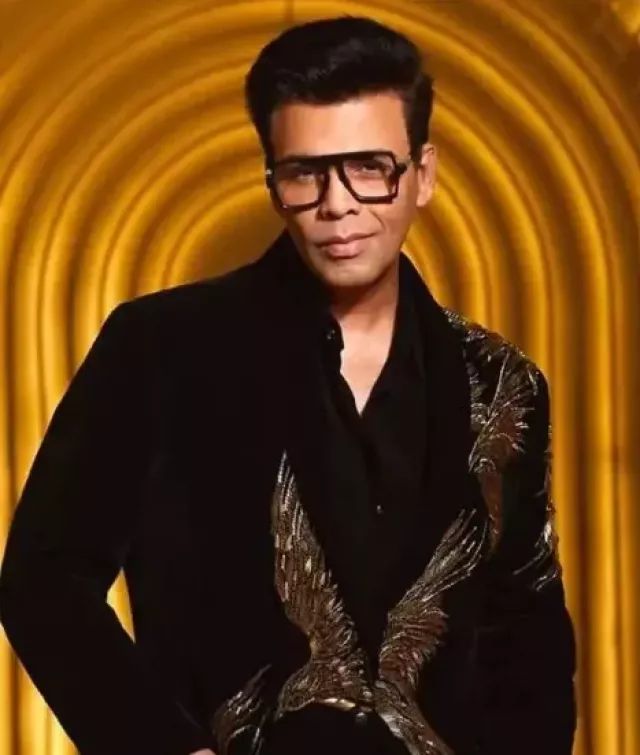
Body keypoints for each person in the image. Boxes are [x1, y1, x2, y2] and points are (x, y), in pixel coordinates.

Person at [0, 14, 577, 755]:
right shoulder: (161, 349)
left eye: (369, 167)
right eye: (305, 172)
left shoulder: (500, 382)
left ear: (423, 174)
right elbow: (44, 580)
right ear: (273, 182)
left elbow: (529, 634)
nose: (338, 204)